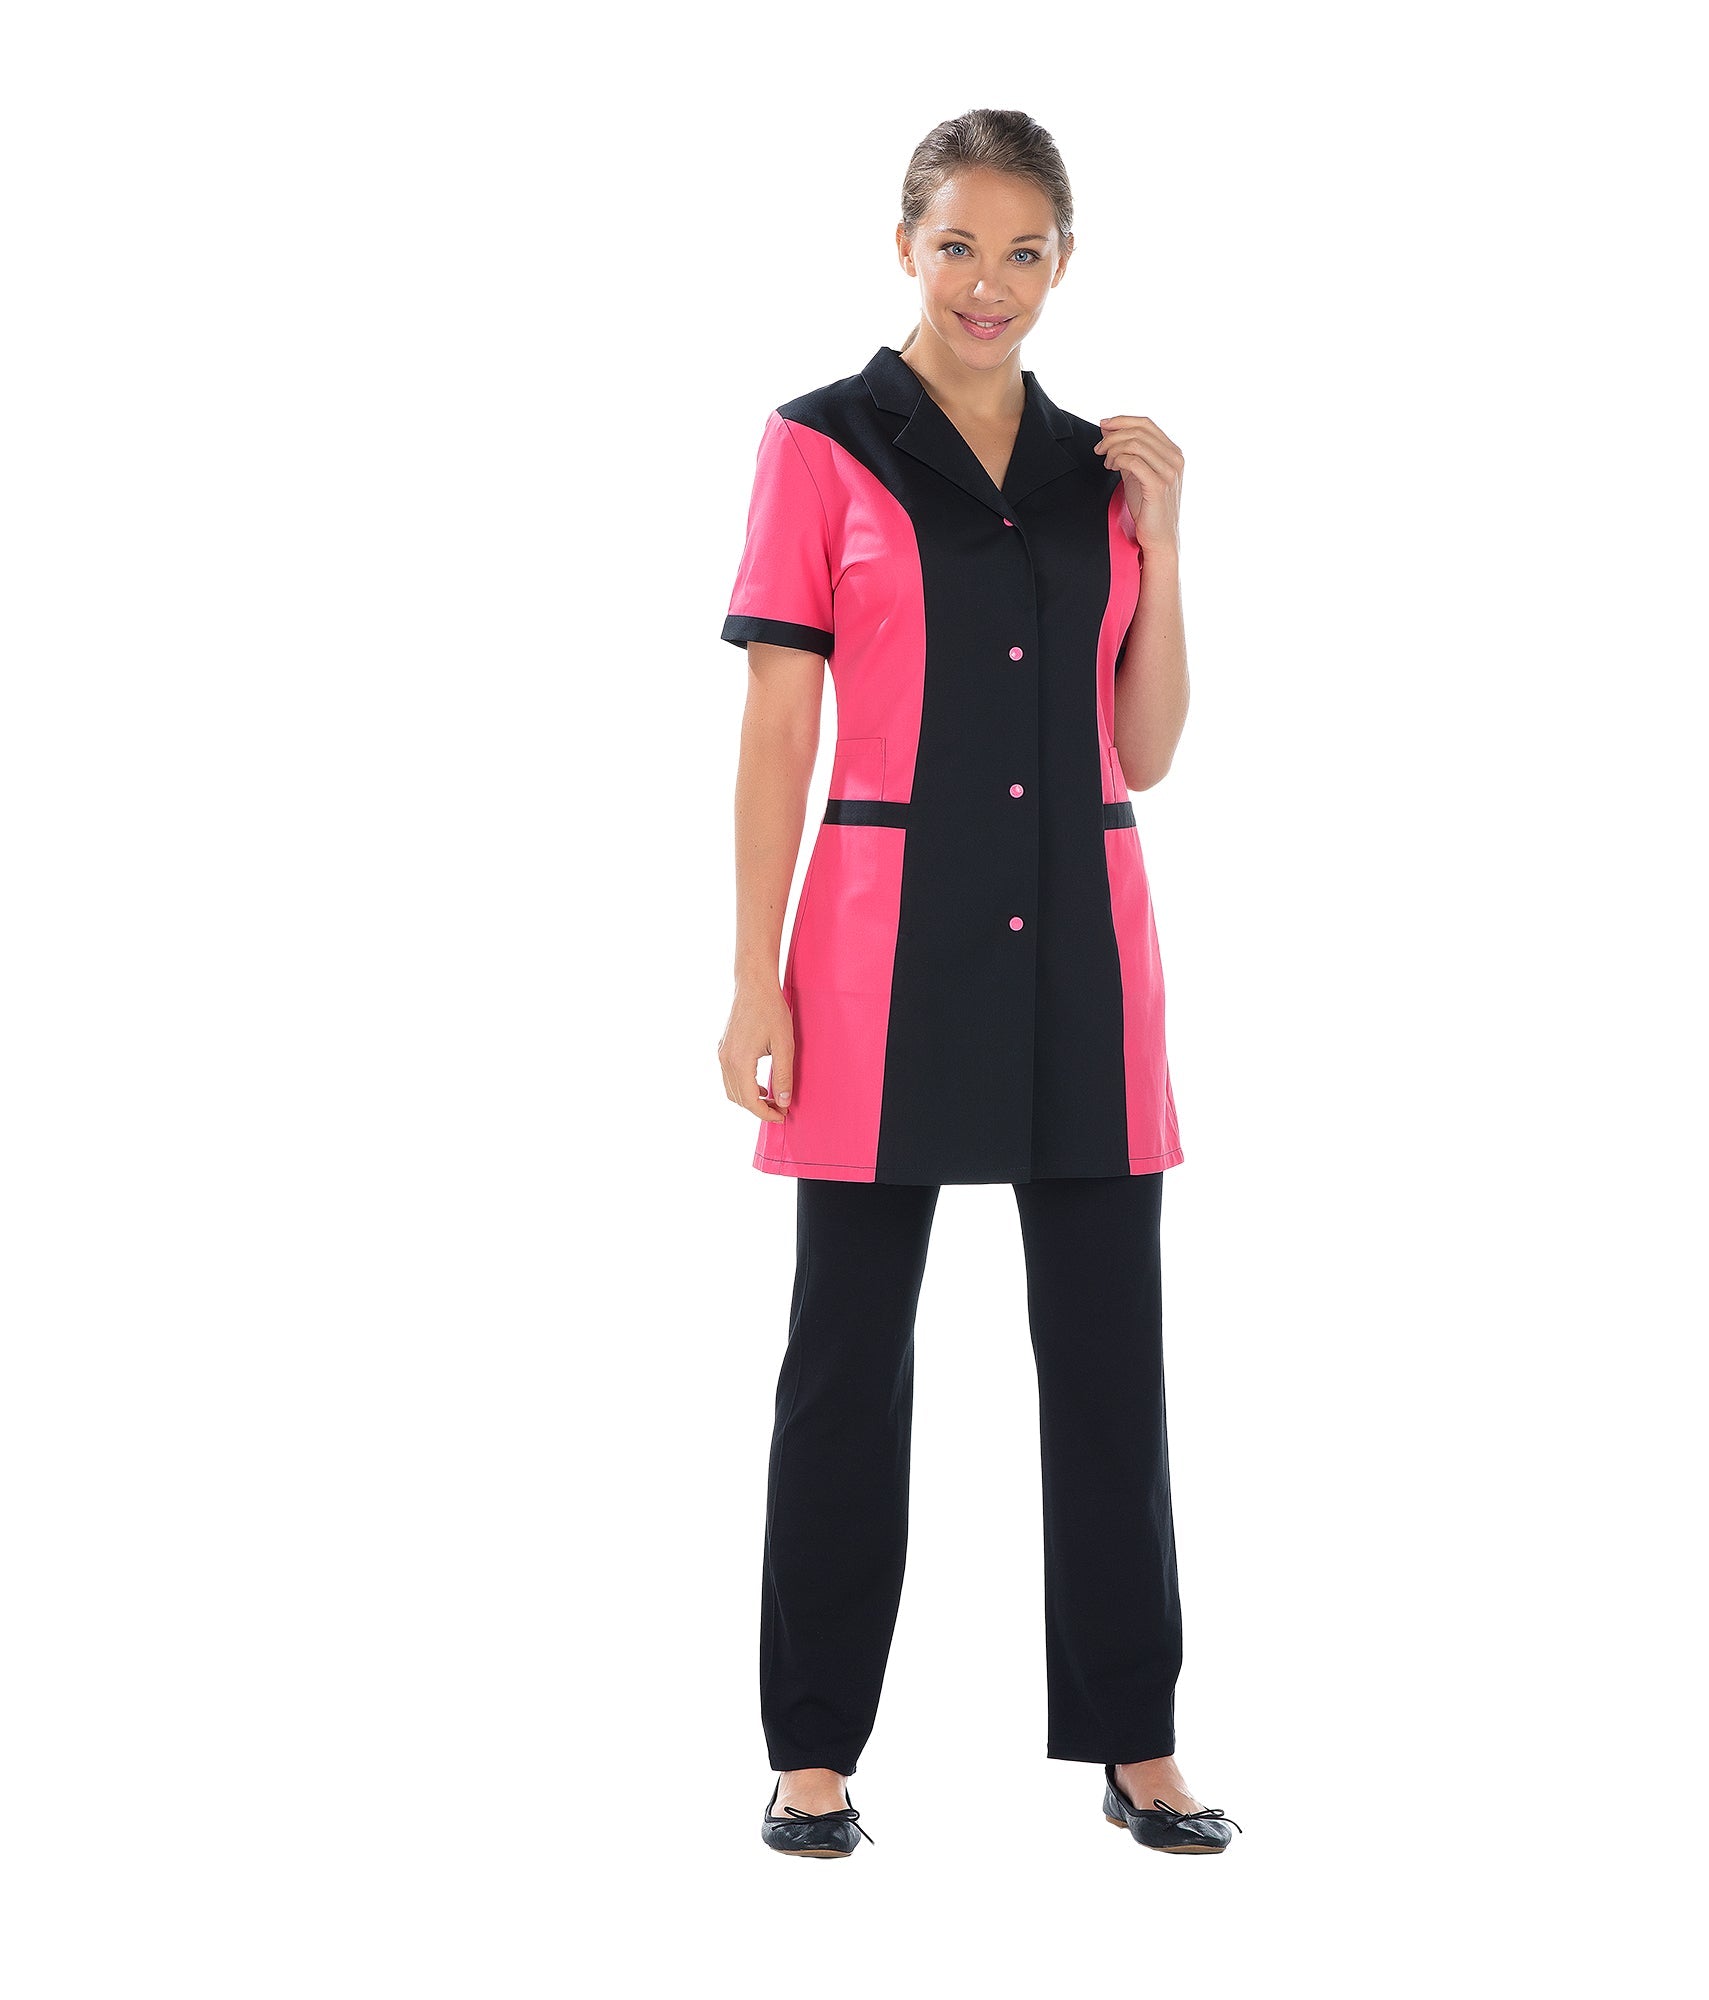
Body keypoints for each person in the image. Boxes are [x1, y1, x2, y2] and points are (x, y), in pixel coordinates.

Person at [717, 109, 1235, 1859]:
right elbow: (779, 727)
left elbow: (1142, 748)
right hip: (880, 954)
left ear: (1064, 263)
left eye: (1024, 252)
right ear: (905, 247)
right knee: (846, 1358)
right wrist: (755, 978)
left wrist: (1170, 543)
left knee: (1110, 1362)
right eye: (958, 246)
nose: (988, 284)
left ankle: (1139, 1744)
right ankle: (812, 1754)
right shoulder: (821, 446)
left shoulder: (1104, 472)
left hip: (1087, 950)